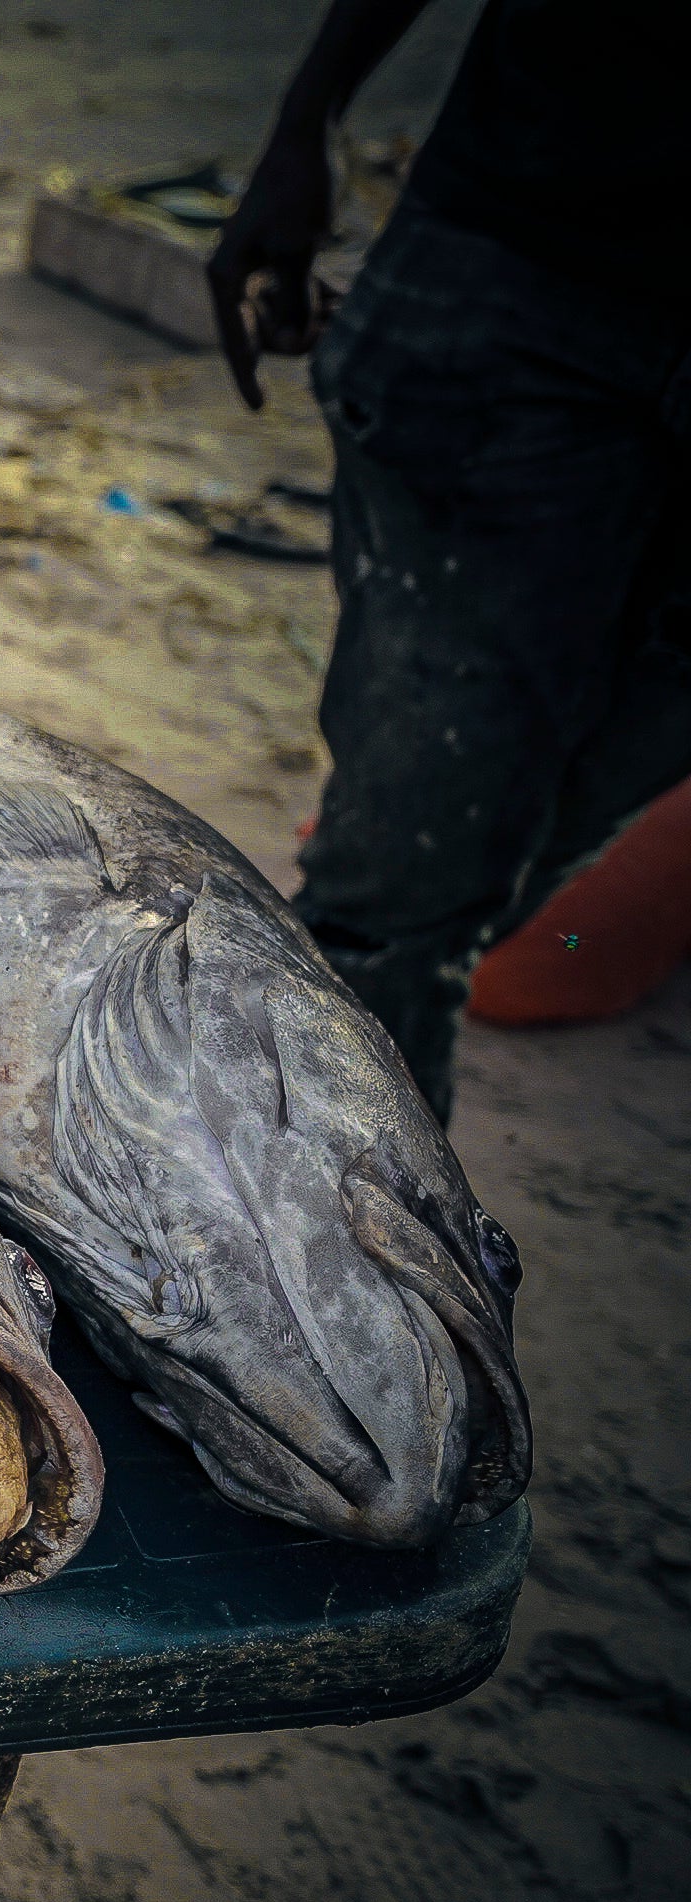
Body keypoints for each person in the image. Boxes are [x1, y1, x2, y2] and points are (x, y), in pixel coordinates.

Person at [210, 0, 689, 1118]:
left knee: (506, 865)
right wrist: (309, 118)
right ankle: (330, 1242)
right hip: (530, 274)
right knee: (400, 897)